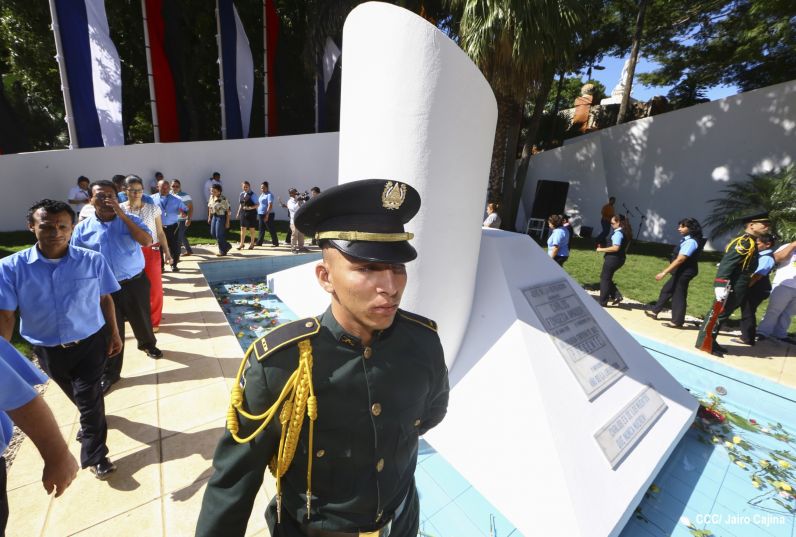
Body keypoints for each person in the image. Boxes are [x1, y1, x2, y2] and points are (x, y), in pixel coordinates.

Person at [195, 179, 449, 537]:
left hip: (401, 524)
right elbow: (233, 483)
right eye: (366, 269)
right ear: (325, 277)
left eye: (397, 268)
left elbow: (431, 414)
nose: (390, 287)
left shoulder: (422, 342)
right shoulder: (281, 364)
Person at [0, 199, 122, 480]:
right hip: (47, 349)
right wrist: (3, 358)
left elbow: (105, 298)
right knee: (78, 396)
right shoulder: (10, 268)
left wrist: (114, 333)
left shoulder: (92, 260)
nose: (55, 231)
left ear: (72, 227)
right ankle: (91, 421)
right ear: (32, 227)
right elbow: (5, 315)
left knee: (89, 397)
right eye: (46, 225)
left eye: (62, 225)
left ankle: (95, 455)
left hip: (90, 343)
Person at [71, 181, 163, 394]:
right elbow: (76, 260)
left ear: (117, 197)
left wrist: (122, 215)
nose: (105, 200)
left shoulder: (131, 219)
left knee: (142, 318)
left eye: (110, 195)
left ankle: (147, 344)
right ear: (90, 200)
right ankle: (111, 373)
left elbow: (147, 241)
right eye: (100, 196)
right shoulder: (83, 229)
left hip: (134, 282)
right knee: (111, 331)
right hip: (104, 289)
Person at [1, 337, 79, 533]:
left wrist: (58, 456)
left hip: (86, 340)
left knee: (88, 396)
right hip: (46, 344)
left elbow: (19, 398)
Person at [695, 212, 771, 357]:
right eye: (764, 224)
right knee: (718, 314)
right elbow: (727, 264)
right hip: (732, 285)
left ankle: (711, 339)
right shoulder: (744, 242)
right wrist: (720, 284)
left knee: (723, 314)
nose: (767, 227)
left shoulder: (752, 242)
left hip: (739, 285)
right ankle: (704, 342)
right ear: (752, 225)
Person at [121, 176, 172, 332]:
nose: (136, 193)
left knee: (155, 287)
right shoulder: (120, 209)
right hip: (128, 252)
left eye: (139, 190)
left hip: (151, 251)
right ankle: (132, 315)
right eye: (132, 190)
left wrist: (167, 253)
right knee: (129, 287)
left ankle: (154, 320)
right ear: (124, 191)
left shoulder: (152, 208)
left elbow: (160, 232)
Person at [646, 218, 705, 328]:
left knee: (679, 295)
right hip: (681, 270)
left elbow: (680, 259)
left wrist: (664, 272)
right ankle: (655, 311)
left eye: (682, 226)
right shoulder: (687, 240)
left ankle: (677, 321)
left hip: (685, 271)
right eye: (679, 226)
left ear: (691, 228)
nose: (679, 229)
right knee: (667, 290)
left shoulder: (691, 242)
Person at [733, 234, 777, 345]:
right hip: (755, 287)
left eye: (758, 243)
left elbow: (757, 276)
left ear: (768, 244)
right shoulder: (761, 255)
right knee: (747, 310)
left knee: (748, 311)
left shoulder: (766, 258)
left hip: (757, 288)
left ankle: (747, 338)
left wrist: (745, 287)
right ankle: (747, 336)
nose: (755, 245)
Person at [757, 239, 796, 344]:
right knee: (774, 310)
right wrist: (793, 245)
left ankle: (780, 334)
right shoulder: (788, 246)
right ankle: (763, 332)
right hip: (783, 284)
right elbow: (777, 258)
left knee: (789, 313)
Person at [152, 178, 188, 272]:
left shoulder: (177, 199)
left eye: (167, 188)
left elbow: (185, 210)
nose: (165, 190)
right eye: (162, 187)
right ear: (157, 187)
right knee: (158, 248)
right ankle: (161, 267)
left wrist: (184, 213)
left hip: (173, 227)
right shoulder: (151, 199)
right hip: (158, 227)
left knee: (175, 247)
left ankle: (174, 264)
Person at [595, 214, 629, 307]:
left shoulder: (618, 233)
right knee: (606, 277)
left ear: (619, 223)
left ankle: (603, 302)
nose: (611, 225)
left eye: (613, 223)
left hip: (613, 259)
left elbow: (615, 248)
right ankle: (616, 295)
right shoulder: (623, 232)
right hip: (619, 258)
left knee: (604, 279)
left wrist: (601, 250)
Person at [171, 179, 194, 256]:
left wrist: (189, 219)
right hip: (172, 220)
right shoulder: (169, 194)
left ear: (180, 187)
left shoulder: (185, 195)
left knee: (178, 238)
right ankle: (189, 251)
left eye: (177, 186)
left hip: (182, 220)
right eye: (173, 186)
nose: (175, 188)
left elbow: (191, 207)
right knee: (181, 236)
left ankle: (175, 257)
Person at [207, 183, 232, 256]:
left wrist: (227, 222)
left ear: (219, 191)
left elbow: (228, 211)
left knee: (219, 235)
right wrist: (209, 217)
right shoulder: (211, 197)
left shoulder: (223, 199)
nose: (212, 192)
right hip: (214, 216)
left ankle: (222, 251)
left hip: (221, 217)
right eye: (211, 191)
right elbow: (210, 207)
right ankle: (227, 245)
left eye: (214, 191)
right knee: (213, 233)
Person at [236, 181, 258, 250]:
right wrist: (238, 213)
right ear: (242, 187)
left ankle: (252, 244)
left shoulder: (253, 194)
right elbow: (241, 204)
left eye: (246, 187)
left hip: (251, 213)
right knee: (242, 228)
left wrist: (250, 208)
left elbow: (257, 204)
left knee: (252, 229)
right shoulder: (241, 194)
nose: (245, 188)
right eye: (244, 187)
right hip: (243, 213)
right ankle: (241, 244)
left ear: (249, 186)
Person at [256, 181, 279, 247]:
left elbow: (270, 205)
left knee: (270, 228)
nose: (262, 189)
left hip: (268, 214)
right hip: (261, 214)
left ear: (267, 187)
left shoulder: (269, 195)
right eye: (261, 188)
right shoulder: (262, 194)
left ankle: (275, 243)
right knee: (261, 228)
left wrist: (267, 215)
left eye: (263, 188)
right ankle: (259, 242)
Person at [286, 188, 307, 253]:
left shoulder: (297, 199)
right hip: (294, 221)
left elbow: (304, 206)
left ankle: (301, 247)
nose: (296, 193)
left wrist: (303, 199)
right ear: (291, 194)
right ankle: (293, 248)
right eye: (294, 192)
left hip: (300, 220)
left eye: (296, 192)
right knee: (294, 235)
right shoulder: (289, 201)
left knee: (301, 234)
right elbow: (294, 209)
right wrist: (298, 202)